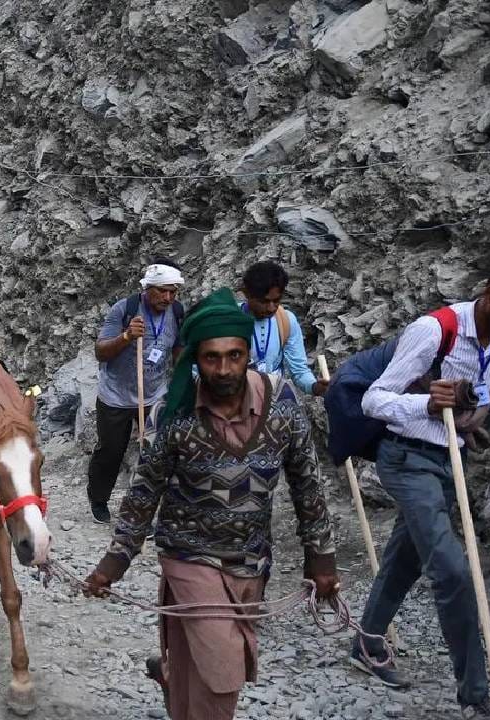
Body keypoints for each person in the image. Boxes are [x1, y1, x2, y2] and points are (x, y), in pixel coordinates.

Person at [85, 288, 339, 720]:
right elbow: (145, 490)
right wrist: (116, 560)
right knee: (223, 666)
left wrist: (321, 557)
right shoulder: (176, 414)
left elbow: (307, 483)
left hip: (251, 560)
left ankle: (173, 678)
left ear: (247, 354)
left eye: (234, 356)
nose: (224, 369)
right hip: (190, 556)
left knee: (202, 659)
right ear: (195, 360)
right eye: (211, 358)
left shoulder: (281, 403)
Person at [351, 256, 490, 717]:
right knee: (453, 571)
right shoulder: (434, 329)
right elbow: (374, 399)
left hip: (448, 461)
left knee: (406, 557)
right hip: (406, 458)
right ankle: (477, 691)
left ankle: (366, 641)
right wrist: (425, 403)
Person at [87, 261, 186, 524]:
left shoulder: (177, 311)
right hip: (116, 395)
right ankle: (99, 499)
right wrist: (127, 337)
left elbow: (178, 350)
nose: (168, 297)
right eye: (162, 291)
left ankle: (144, 510)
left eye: (173, 292)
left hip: (154, 394)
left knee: (155, 453)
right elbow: (100, 352)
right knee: (111, 452)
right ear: (148, 288)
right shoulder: (124, 309)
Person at [238, 261, 328, 397]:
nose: (271, 308)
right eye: (264, 301)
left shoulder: (286, 320)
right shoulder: (228, 321)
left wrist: (315, 387)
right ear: (247, 293)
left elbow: (299, 371)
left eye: (276, 301)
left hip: (271, 399)